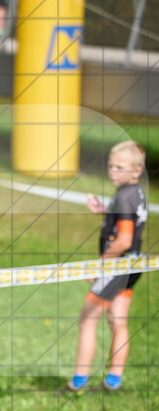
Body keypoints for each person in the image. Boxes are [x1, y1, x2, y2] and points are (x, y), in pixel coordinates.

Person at [67, 141, 148, 393]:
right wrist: (106, 212)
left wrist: (99, 266)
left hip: (117, 266)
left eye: (120, 167)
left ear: (136, 171)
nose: (113, 171)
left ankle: (78, 382)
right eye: (111, 166)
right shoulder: (134, 193)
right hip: (133, 263)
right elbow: (129, 224)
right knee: (117, 320)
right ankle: (114, 380)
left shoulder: (124, 196)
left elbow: (123, 239)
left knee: (87, 320)